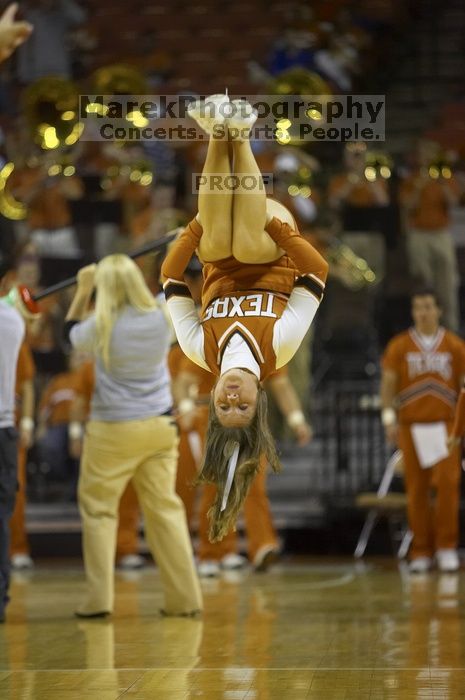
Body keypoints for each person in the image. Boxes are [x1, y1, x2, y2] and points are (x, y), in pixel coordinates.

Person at [161, 93, 328, 543]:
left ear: (212, 398)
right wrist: (282, 231)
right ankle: (243, 135)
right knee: (246, 243)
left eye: (223, 406)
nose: (232, 396)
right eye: (244, 407)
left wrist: (192, 233)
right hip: (274, 243)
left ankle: (223, 129)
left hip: (219, 251)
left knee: (215, 243)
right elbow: (316, 272)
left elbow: (171, 281)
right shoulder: (279, 345)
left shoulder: (200, 351)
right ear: (260, 402)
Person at [65, 254, 202, 618]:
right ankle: (184, 599)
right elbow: (174, 284)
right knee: (165, 511)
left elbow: (72, 336)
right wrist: (180, 245)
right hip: (159, 428)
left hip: (112, 431)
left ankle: (98, 600)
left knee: (98, 511)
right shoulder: (162, 313)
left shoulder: (102, 324)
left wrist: (82, 290)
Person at [380, 289, 465, 573]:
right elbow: (388, 385)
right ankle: (421, 550)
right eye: (418, 307)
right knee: (416, 491)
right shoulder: (400, 346)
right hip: (411, 426)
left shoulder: (454, 345)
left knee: (447, 490)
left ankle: (446, 547)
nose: (423, 312)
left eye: (428, 306)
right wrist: (388, 418)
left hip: (445, 428)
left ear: (439, 310)